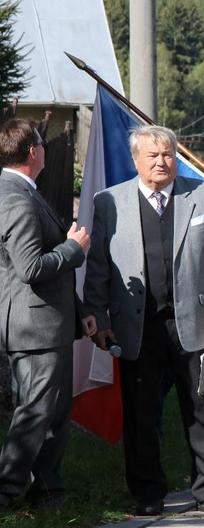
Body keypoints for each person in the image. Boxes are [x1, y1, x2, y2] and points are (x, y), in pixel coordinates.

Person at [82, 125, 204, 518]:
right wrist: (98, 315)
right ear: (136, 160)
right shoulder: (109, 203)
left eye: (168, 154)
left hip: (195, 323)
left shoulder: (201, 196)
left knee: (201, 410)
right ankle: (148, 493)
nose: (161, 162)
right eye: (152, 155)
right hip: (136, 326)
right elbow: (98, 267)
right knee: (140, 412)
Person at [0, 118, 92, 508]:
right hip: (34, 327)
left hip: (46, 322)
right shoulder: (16, 197)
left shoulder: (20, 190)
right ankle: (7, 491)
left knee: (52, 411)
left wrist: (79, 311)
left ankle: (48, 490)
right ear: (33, 152)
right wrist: (73, 249)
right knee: (37, 411)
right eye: (42, 142)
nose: (46, 149)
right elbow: (31, 267)